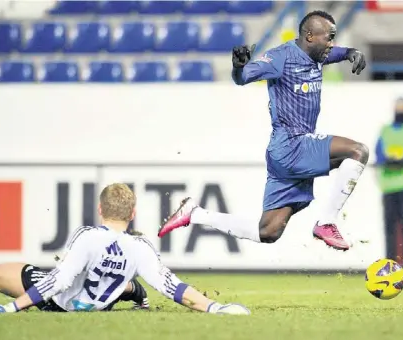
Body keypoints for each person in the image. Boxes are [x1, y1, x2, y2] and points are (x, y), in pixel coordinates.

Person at [158, 10, 368, 252]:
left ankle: (196, 214)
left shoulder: (318, 54)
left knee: (268, 231)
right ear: (310, 36)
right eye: (329, 37)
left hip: (283, 154)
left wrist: (351, 53)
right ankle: (327, 222)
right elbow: (243, 77)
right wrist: (238, 67)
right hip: (293, 145)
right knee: (357, 151)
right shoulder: (281, 57)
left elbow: (336, 52)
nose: (332, 44)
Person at [0, 183, 249, 315]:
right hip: (101, 302)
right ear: (133, 213)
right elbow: (173, 288)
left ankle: (133, 292)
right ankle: (135, 293)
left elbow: (58, 281)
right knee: (118, 282)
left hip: (60, 302)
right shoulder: (141, 247)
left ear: (99, 209)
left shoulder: (87, 236)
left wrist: (10, 307)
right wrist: (215, 307)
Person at [375, 97, 403, 276]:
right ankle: (390, 264)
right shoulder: (385, 131)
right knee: (389, 227)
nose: (400, 110)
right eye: (398, 107)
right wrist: (388, 159)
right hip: (389, 186)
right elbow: (379, 155)